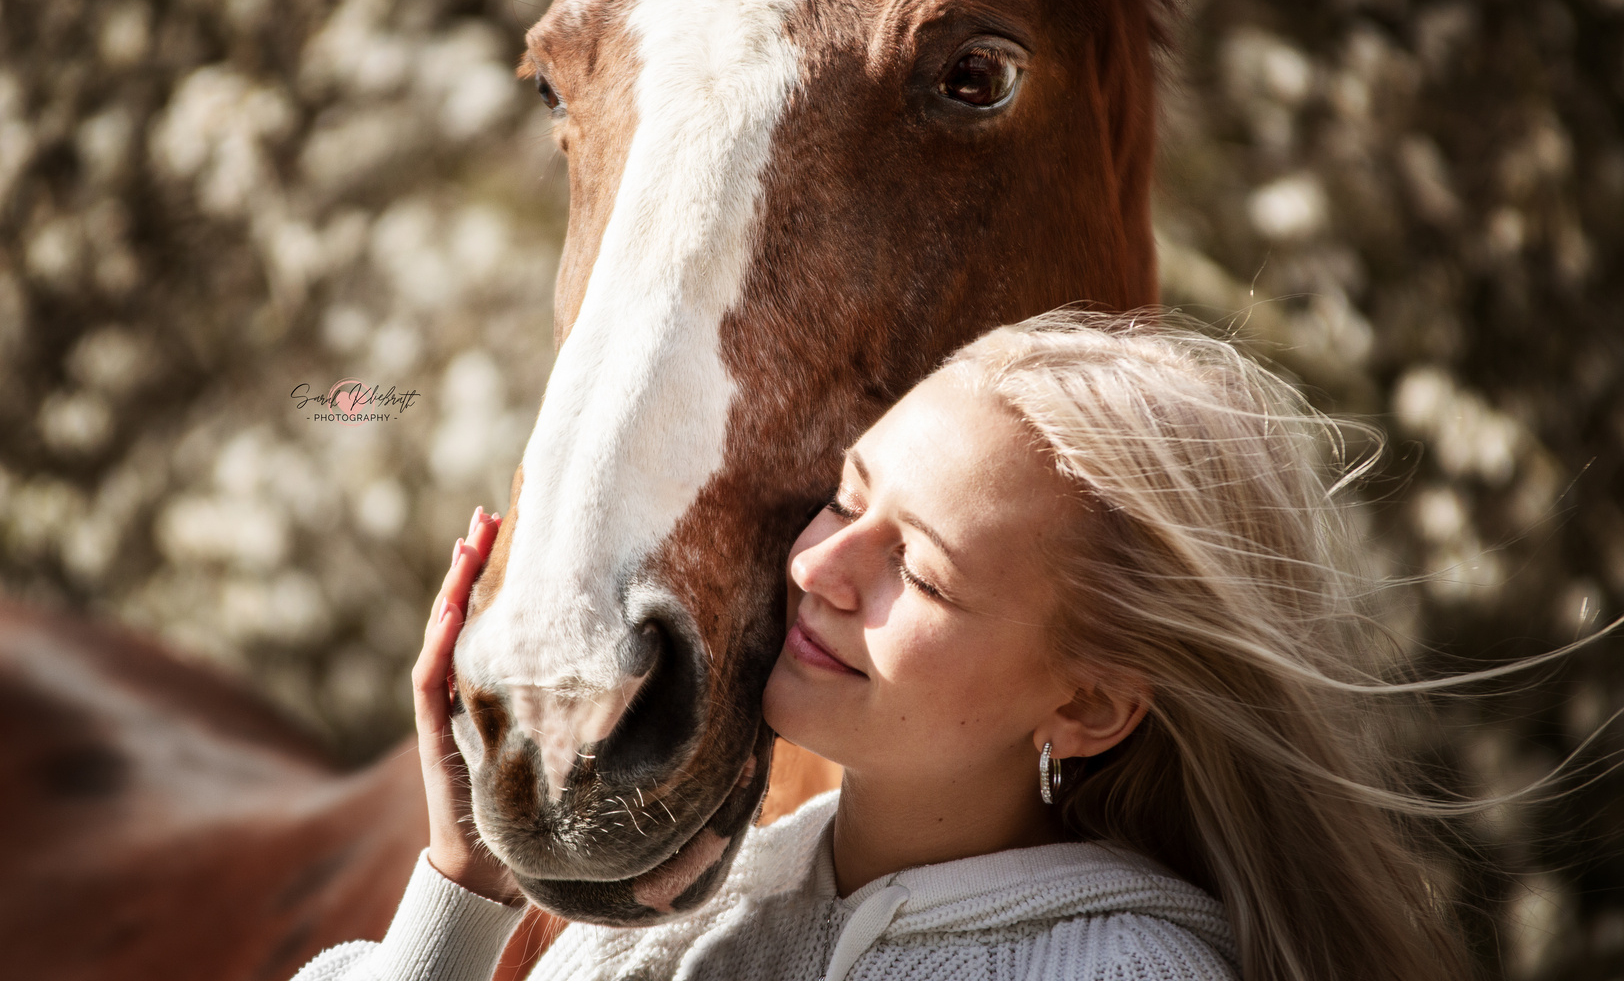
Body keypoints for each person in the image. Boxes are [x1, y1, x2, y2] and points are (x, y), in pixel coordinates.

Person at [295, 311, 1506, 981]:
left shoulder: (1123, 975)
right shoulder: (670, 928)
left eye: (915, 568)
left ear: (1087, 706)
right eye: (845, 494)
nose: (818, 566)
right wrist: (462, 893)